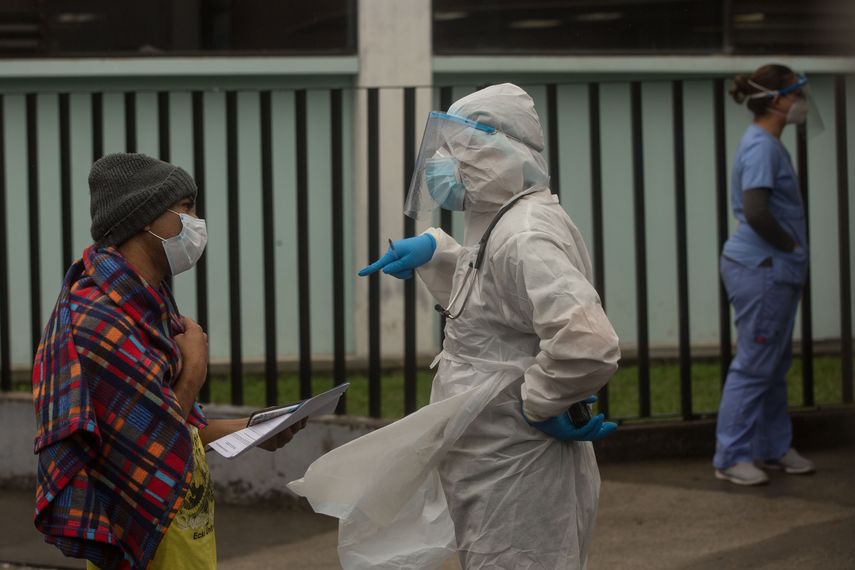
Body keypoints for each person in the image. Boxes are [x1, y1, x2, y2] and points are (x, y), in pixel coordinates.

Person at [290, 84, 619, 569]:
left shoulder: (526, 235)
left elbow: (587, 341)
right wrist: (439, 253)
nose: (443, 165)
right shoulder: (503, 221)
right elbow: (499, 302)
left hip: (515, 450)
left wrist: (541, 403)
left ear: (497, 153)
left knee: (518, 559)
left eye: (456, 151)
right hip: (493, 446)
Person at [32, 153, 305, 570]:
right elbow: (143, 446)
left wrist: (251, 431)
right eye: (185, 208)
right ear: (143, 219)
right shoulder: (98, 320)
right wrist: (193, 371)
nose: (196, 221)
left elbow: (167, 422)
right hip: (142, 551)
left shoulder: (147, 306)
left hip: (182, 548)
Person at [715, 65, 817, 486]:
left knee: (773, 364)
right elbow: (756, 211)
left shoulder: (767, 143)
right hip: (764, 270)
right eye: (796, 94)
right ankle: (731, 456)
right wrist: (791, 247)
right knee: (756, 365)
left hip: (771, 270)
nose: (801, 104)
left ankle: (772, 447)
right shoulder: (761, 146)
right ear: (777, 100)